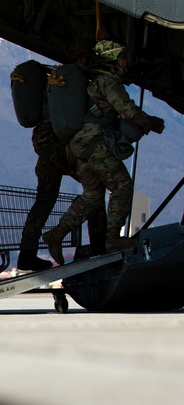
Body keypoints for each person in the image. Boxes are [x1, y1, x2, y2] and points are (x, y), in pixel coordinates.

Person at [43, 40, 165, 264]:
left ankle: (57, 234)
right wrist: (151, 123)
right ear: (112, 59)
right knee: (122, 186)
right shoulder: (107, 82)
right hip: (96, 143)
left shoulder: (91, 83)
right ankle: (113, 238)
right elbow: (127, 111)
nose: (124, 63)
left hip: (83, 146)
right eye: (121, 58)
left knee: (92, 194)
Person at [17, 39, 107, 271]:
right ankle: (99, 247)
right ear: (80, 59)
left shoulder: (55, 80)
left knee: (44, 201)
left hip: (44, 147)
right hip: (60, 145)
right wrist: (67, 142)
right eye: (86, 58)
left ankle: (26, 255)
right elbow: (68, 120)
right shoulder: (73, 80)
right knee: (94, 190)